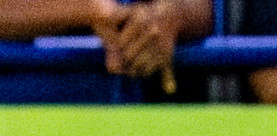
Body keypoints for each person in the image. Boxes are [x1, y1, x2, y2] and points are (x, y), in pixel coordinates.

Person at [0, 0, 211, 102]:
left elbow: (208, 10)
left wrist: (172, 16)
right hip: (19, 116)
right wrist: (85, 10)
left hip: (133, 132)